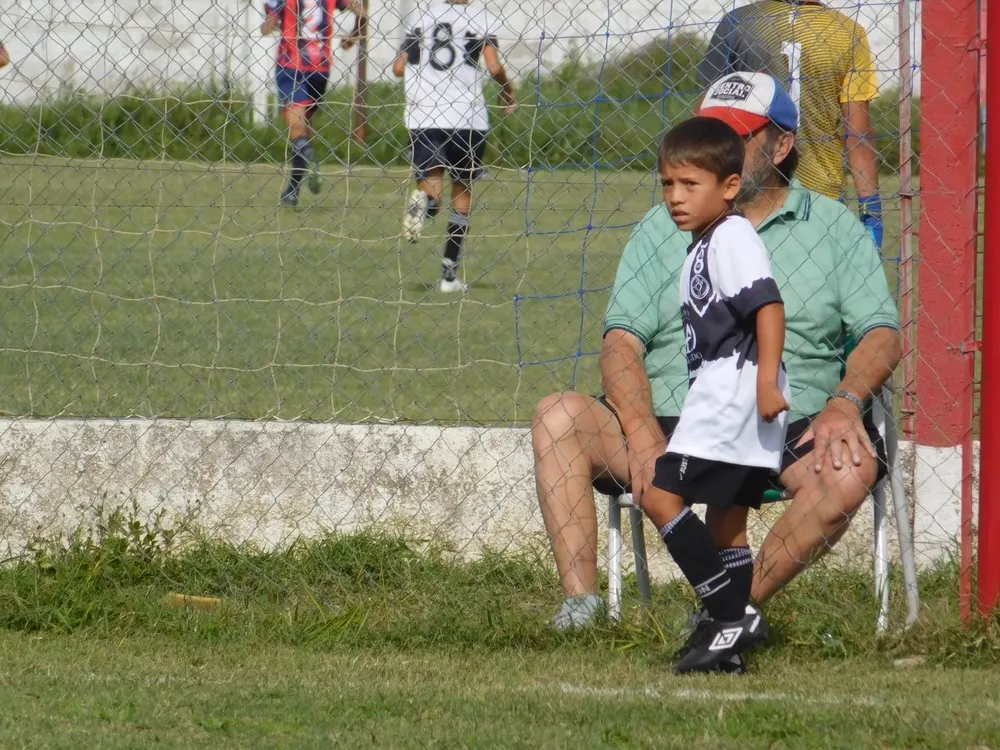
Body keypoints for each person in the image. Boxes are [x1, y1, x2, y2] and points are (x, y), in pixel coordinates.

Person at [532, 72, 901, 670]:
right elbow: (620, 344)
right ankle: (581, 611)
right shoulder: (663, 226)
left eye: (733, 134)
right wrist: (644, 433)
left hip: (777, 421)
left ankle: (725, 612)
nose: (713, 143)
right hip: (671, 416)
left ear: (781, 146)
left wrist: (844, 403)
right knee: (558, 417)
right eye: (707, 130)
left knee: (853, 464)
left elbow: (882, 335)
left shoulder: (833, 229)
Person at [641, 115, 789, 673]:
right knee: (727, 520)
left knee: (660, 496)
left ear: (729, 187)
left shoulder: (731, 237)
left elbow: (767, 306)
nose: (675, 198)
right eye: (667, 185)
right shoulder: (706, 242)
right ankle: (730, 650)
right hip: (734, 396)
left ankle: (732, 617)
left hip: (734, 393)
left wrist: (768, 379)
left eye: (689, 185)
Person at [698, 0, 884, 249]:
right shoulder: (849, 32)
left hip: (748, 188)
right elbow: (858, 134)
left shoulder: (738, 22)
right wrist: (871, 211)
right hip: (820, 195)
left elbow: (706, 115)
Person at [391, 0, 516, 293]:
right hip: (467, 117)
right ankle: (449, 276)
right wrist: (507, 90)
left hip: (424, 116)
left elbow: (398, 67)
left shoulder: (422, 20)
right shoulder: (479, 18)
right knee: (462, 188)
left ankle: (426, 206)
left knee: (432, 189)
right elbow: (494, 65)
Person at [261, 0, 366, 207]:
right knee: (306, 128)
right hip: (320, 67)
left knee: (298, 131)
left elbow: (269, 27)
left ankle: (306, 155)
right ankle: (293, 190)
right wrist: (353, 37)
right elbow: (362, 13)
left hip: (290, 65)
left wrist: (269, 24)